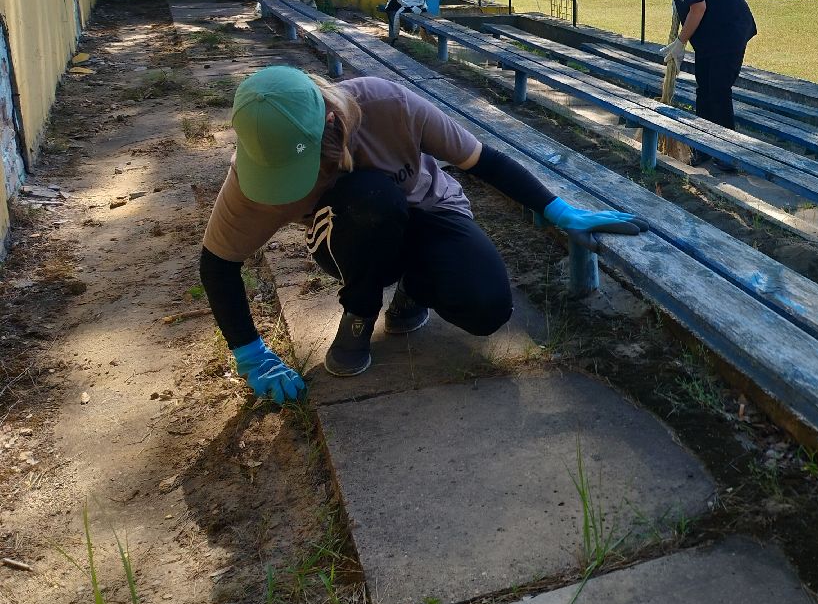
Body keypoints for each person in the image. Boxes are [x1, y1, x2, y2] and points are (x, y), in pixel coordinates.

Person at [200, 65, 646, 401]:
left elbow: (482, 160)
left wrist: (557, 209)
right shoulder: (252, 176)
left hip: (429, 210)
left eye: (307, 166)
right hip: (349, 237)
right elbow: (218, 263)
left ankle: (413, 289)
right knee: (370, 199)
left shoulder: (387, 105)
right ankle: (360, 313)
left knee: (488, 307)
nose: (298, 183)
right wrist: (251, 354)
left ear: (332, 122)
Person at [623, 0, 758, 170]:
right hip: (709, 36)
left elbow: (698, 8)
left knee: (718, 92)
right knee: (703, 90)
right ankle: (704, 146)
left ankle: (727, 155)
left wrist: (680, 42)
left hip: (727, 33)